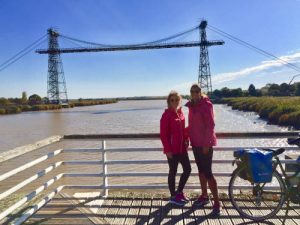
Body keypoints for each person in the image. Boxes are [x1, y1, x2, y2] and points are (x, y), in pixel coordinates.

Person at [185, 83, 221, 216]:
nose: (194, 93)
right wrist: (186, 136)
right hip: (195, 143)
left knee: (208, 172)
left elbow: (211, 125)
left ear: (200, 92)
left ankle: (217, 202)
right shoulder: (191, 106)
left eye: (196, 91)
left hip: (205, 144)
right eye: (192, 91)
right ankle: (204, 196)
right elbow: (191, 124)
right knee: (200, 171)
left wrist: (207, 143)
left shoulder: (207, 105)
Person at [160, 91, 191, 206]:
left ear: (180, 100)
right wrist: (167, 150)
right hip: (172, 149)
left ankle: (179, 192)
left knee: (187, 169)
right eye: (172, 100)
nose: (175, 102)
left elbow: (183, 131)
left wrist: (187, 138)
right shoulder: (166, 115)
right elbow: (163, 134)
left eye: (177, 100)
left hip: (182, 148)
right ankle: (173, 196)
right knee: (173, 172)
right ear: (168, 101)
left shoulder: (181, 113)